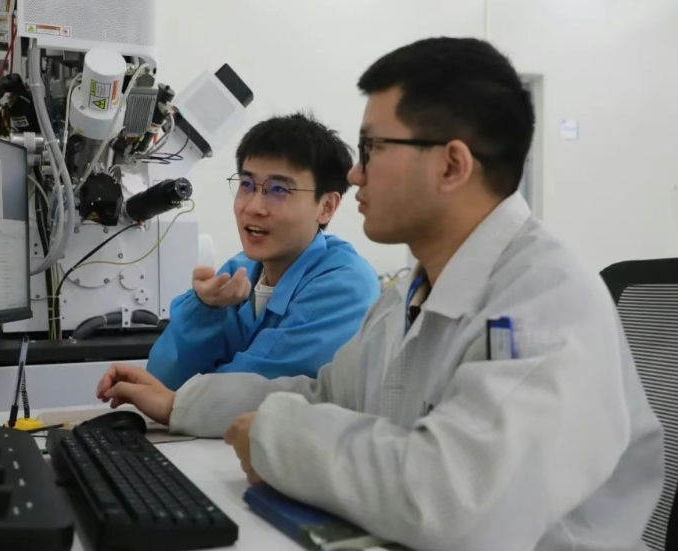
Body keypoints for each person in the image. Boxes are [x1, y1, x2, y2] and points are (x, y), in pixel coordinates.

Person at [97, 38, 664, 550]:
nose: (355, 174)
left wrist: (277, 439)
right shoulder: (410, 294)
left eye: (372, 149)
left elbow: (454, 502)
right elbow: (325, 393)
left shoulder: (545, 305)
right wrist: (184, 406)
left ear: (451, 165)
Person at [146, 113, 380, 390]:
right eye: (246, 185)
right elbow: (161, 380)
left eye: (278, 189)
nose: (253, 207)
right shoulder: (238, 273)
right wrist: (204, 309)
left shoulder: (345, 287)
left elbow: (248, 391)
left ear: (326, 206)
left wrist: (178, 396)